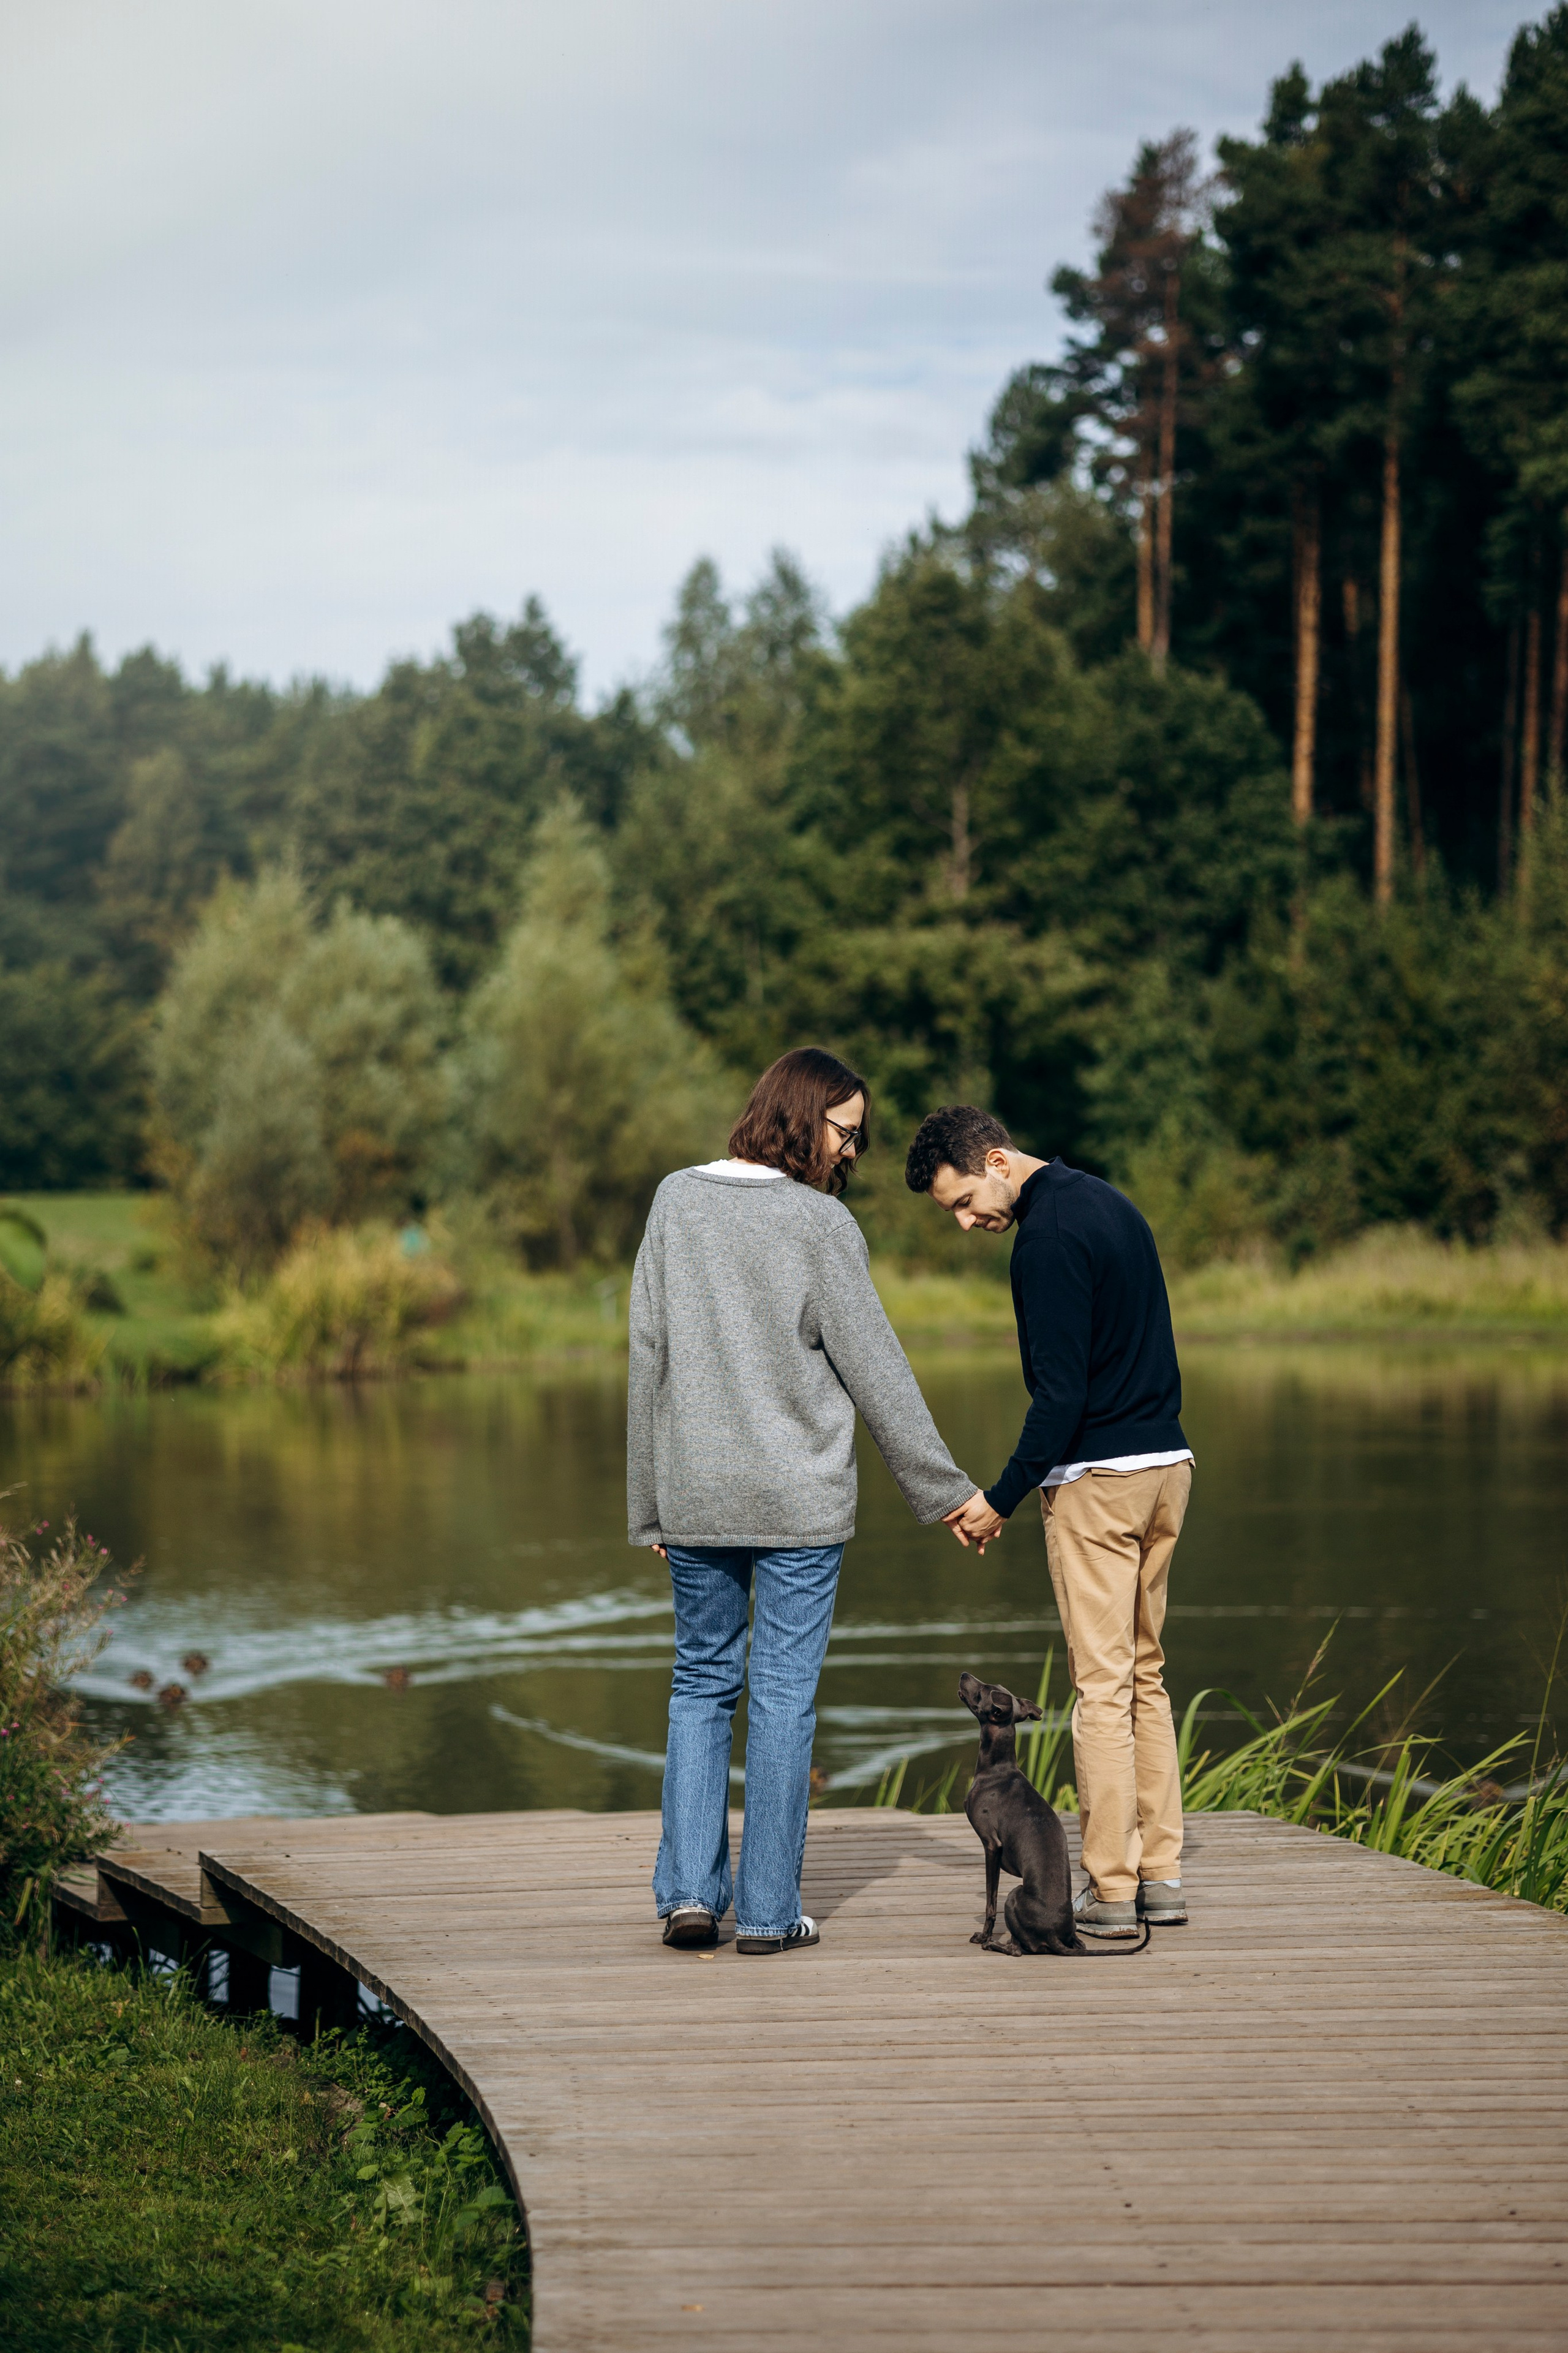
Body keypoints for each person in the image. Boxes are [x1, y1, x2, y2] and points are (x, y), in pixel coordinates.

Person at [628, 1048, 984, 1955]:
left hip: (699, 1492)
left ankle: (689, 1898)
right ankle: (772, 1913)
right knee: (783, 1697)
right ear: (803, 1113)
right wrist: (943, 1489)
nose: (851, 1151)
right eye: (846, 1130)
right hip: (798, 1501)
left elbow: (647, 1357)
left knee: (701, 1685)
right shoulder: (820, 1225)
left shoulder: (675, 1201)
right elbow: (878, 1370)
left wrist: (650, 1503)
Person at [905, 1105, 1194, 1938]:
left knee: (1101, 1689)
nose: (968, 1223)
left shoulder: (1044, 1240)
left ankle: (1110, 1890)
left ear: (996, 1157)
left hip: (1099, 1481)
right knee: (1146, 1677)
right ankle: (1162, 1876)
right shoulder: (1113, 1205)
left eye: (965, 1200)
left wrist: (998, 1495)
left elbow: (1059, 1394)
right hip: (1168, 1467)